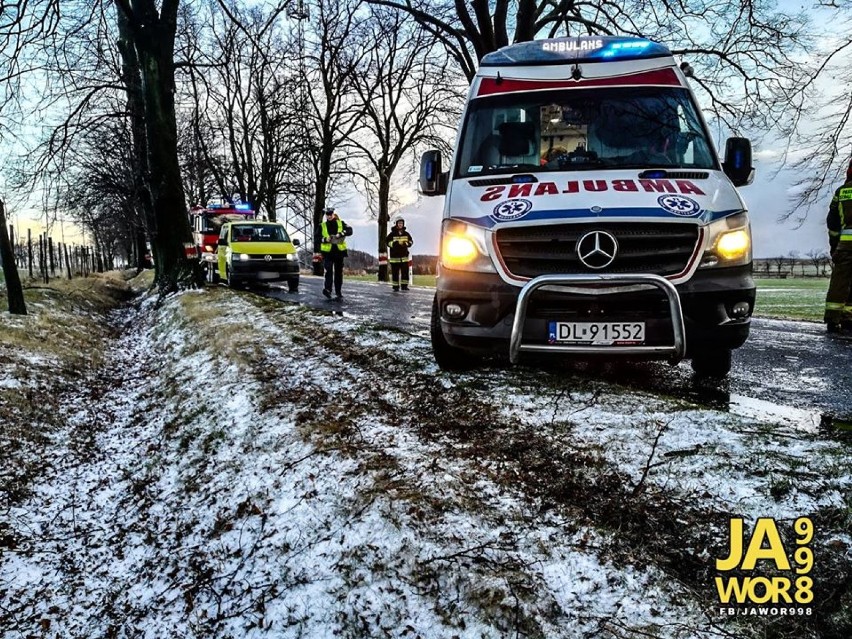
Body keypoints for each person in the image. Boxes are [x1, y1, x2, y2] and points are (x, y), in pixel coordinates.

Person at [824, 159, 852, 334]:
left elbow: (832, 222)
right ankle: (849, 318)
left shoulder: (842, 192)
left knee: (840, 283)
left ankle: (833, 319)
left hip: (846, 246)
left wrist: (835, 245)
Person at [319, 207, 352, 299]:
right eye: (327, 215)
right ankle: (328, 290)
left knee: (338, 272)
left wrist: (341, 234)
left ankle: (338, 291)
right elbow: (317, 238)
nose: (329, 216)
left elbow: (350, 231)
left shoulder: (341, 223)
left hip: (339, 252)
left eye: (330, 214)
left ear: (333, 214)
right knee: (328, 271)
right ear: (326, 215)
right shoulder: (322, 226)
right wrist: (325, 239)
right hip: (328, 253)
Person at [386, 218, 414, 291]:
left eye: (401, 223)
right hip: (395, 258)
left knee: (405, 273)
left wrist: (406, 244)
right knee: (395, 273)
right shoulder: (392, 234)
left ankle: (404, 286)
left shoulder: (406, 234)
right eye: (399, 223)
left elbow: (411, 242)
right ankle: (395, 287)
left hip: (404, 258)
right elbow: (387, 242)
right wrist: (394, 244)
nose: (400, 224)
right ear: (396, 224)